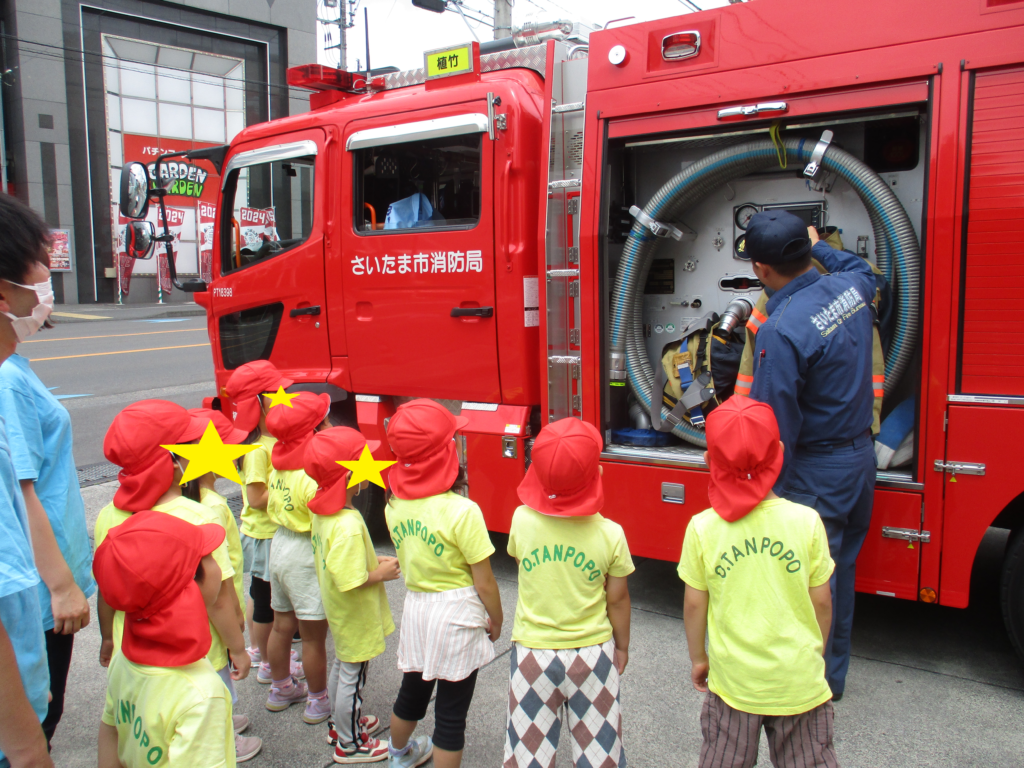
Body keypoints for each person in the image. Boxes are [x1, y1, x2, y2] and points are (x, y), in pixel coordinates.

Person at [744, 211, 876, 701]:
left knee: (811, 583)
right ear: (807, 250)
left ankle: (809, 687)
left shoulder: (780, 330)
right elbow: (863, 269)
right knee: (840, 574)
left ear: (760, 269)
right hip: (860, 462)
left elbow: (773, 427)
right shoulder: (851, 286)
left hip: (818, 474)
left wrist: (761, 497)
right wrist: (819, 245)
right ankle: (831, 678)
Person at [96, 399, 261, 762]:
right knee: (200, 711)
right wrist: (237, 647)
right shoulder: (197, 517)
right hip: (195, 652)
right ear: (171, 463)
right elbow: (219, 598)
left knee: (145, 720)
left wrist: (108, 637)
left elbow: (106, 591)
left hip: (132, 650)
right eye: (188, 447)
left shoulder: (108, 516)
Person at [678, 397, 838, 768]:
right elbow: (823, 602)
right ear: (778, 453)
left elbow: (694, 604)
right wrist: (813, 654)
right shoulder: (807, 522)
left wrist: (699, 658)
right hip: (799, 680)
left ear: (710, 462)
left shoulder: (702, 528)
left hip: (734, 684)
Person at [0, 192, 94, 747]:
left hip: (43, 579)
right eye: (38, 261)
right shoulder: (7, 380)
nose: (48, 273)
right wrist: (61, 587)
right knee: (37, 725)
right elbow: (22, 489)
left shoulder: (14, 363)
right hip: (38, 592)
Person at [502, 417, 634, 768]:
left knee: (528, 754)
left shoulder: (521, 520)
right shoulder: (611, 534)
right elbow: (617, 599)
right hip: (592, 654)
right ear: (597, 475)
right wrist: (621, 646)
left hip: (532, 653)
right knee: (600, 752)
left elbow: (522, 563)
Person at [384, 399, 503, 768]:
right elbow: (484, 582)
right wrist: (497, 619)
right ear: (445, 454)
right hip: (457, 615)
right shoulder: (463, 511)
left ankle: (398, 755)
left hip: (417, 610)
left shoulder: (393, 505)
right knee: (451, 714)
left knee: (411, 693)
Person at [95, 511, 236, 768]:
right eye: (208, 556)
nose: (217, 563)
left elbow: (110, 730)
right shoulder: (202, 694)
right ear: (190, 584)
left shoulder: (122, 660)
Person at [306, 427, 398, 763]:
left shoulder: (324, 515)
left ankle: (339, 726)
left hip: (339, 611)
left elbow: (340, 562)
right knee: (353, 676)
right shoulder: (347, 524)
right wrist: (380, 574)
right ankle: (350, 743)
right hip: (354, 613)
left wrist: (373, 560)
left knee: (342, 666)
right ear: (348, 476)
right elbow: (351, 579)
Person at [263, 391, 333, 722]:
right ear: (313, 432)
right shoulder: (311, 473)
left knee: (281, 626)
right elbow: (323, 519)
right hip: (305, 550)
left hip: (280, 546)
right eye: (325, 421)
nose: (330, 425)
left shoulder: (278, 470)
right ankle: (318, 701)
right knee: (313, 636)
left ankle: (281, 688)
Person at [223, 361, 291, 672]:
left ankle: (261, 650)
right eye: (277, 392)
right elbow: (255, 498)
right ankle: (267, 662)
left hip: (269, 532)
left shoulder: (269, 439)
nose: (284, 396)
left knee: (259, 593)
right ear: (259, 403)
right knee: (266, 603)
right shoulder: (256, 450)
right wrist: (293, 494)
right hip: (265, 535)